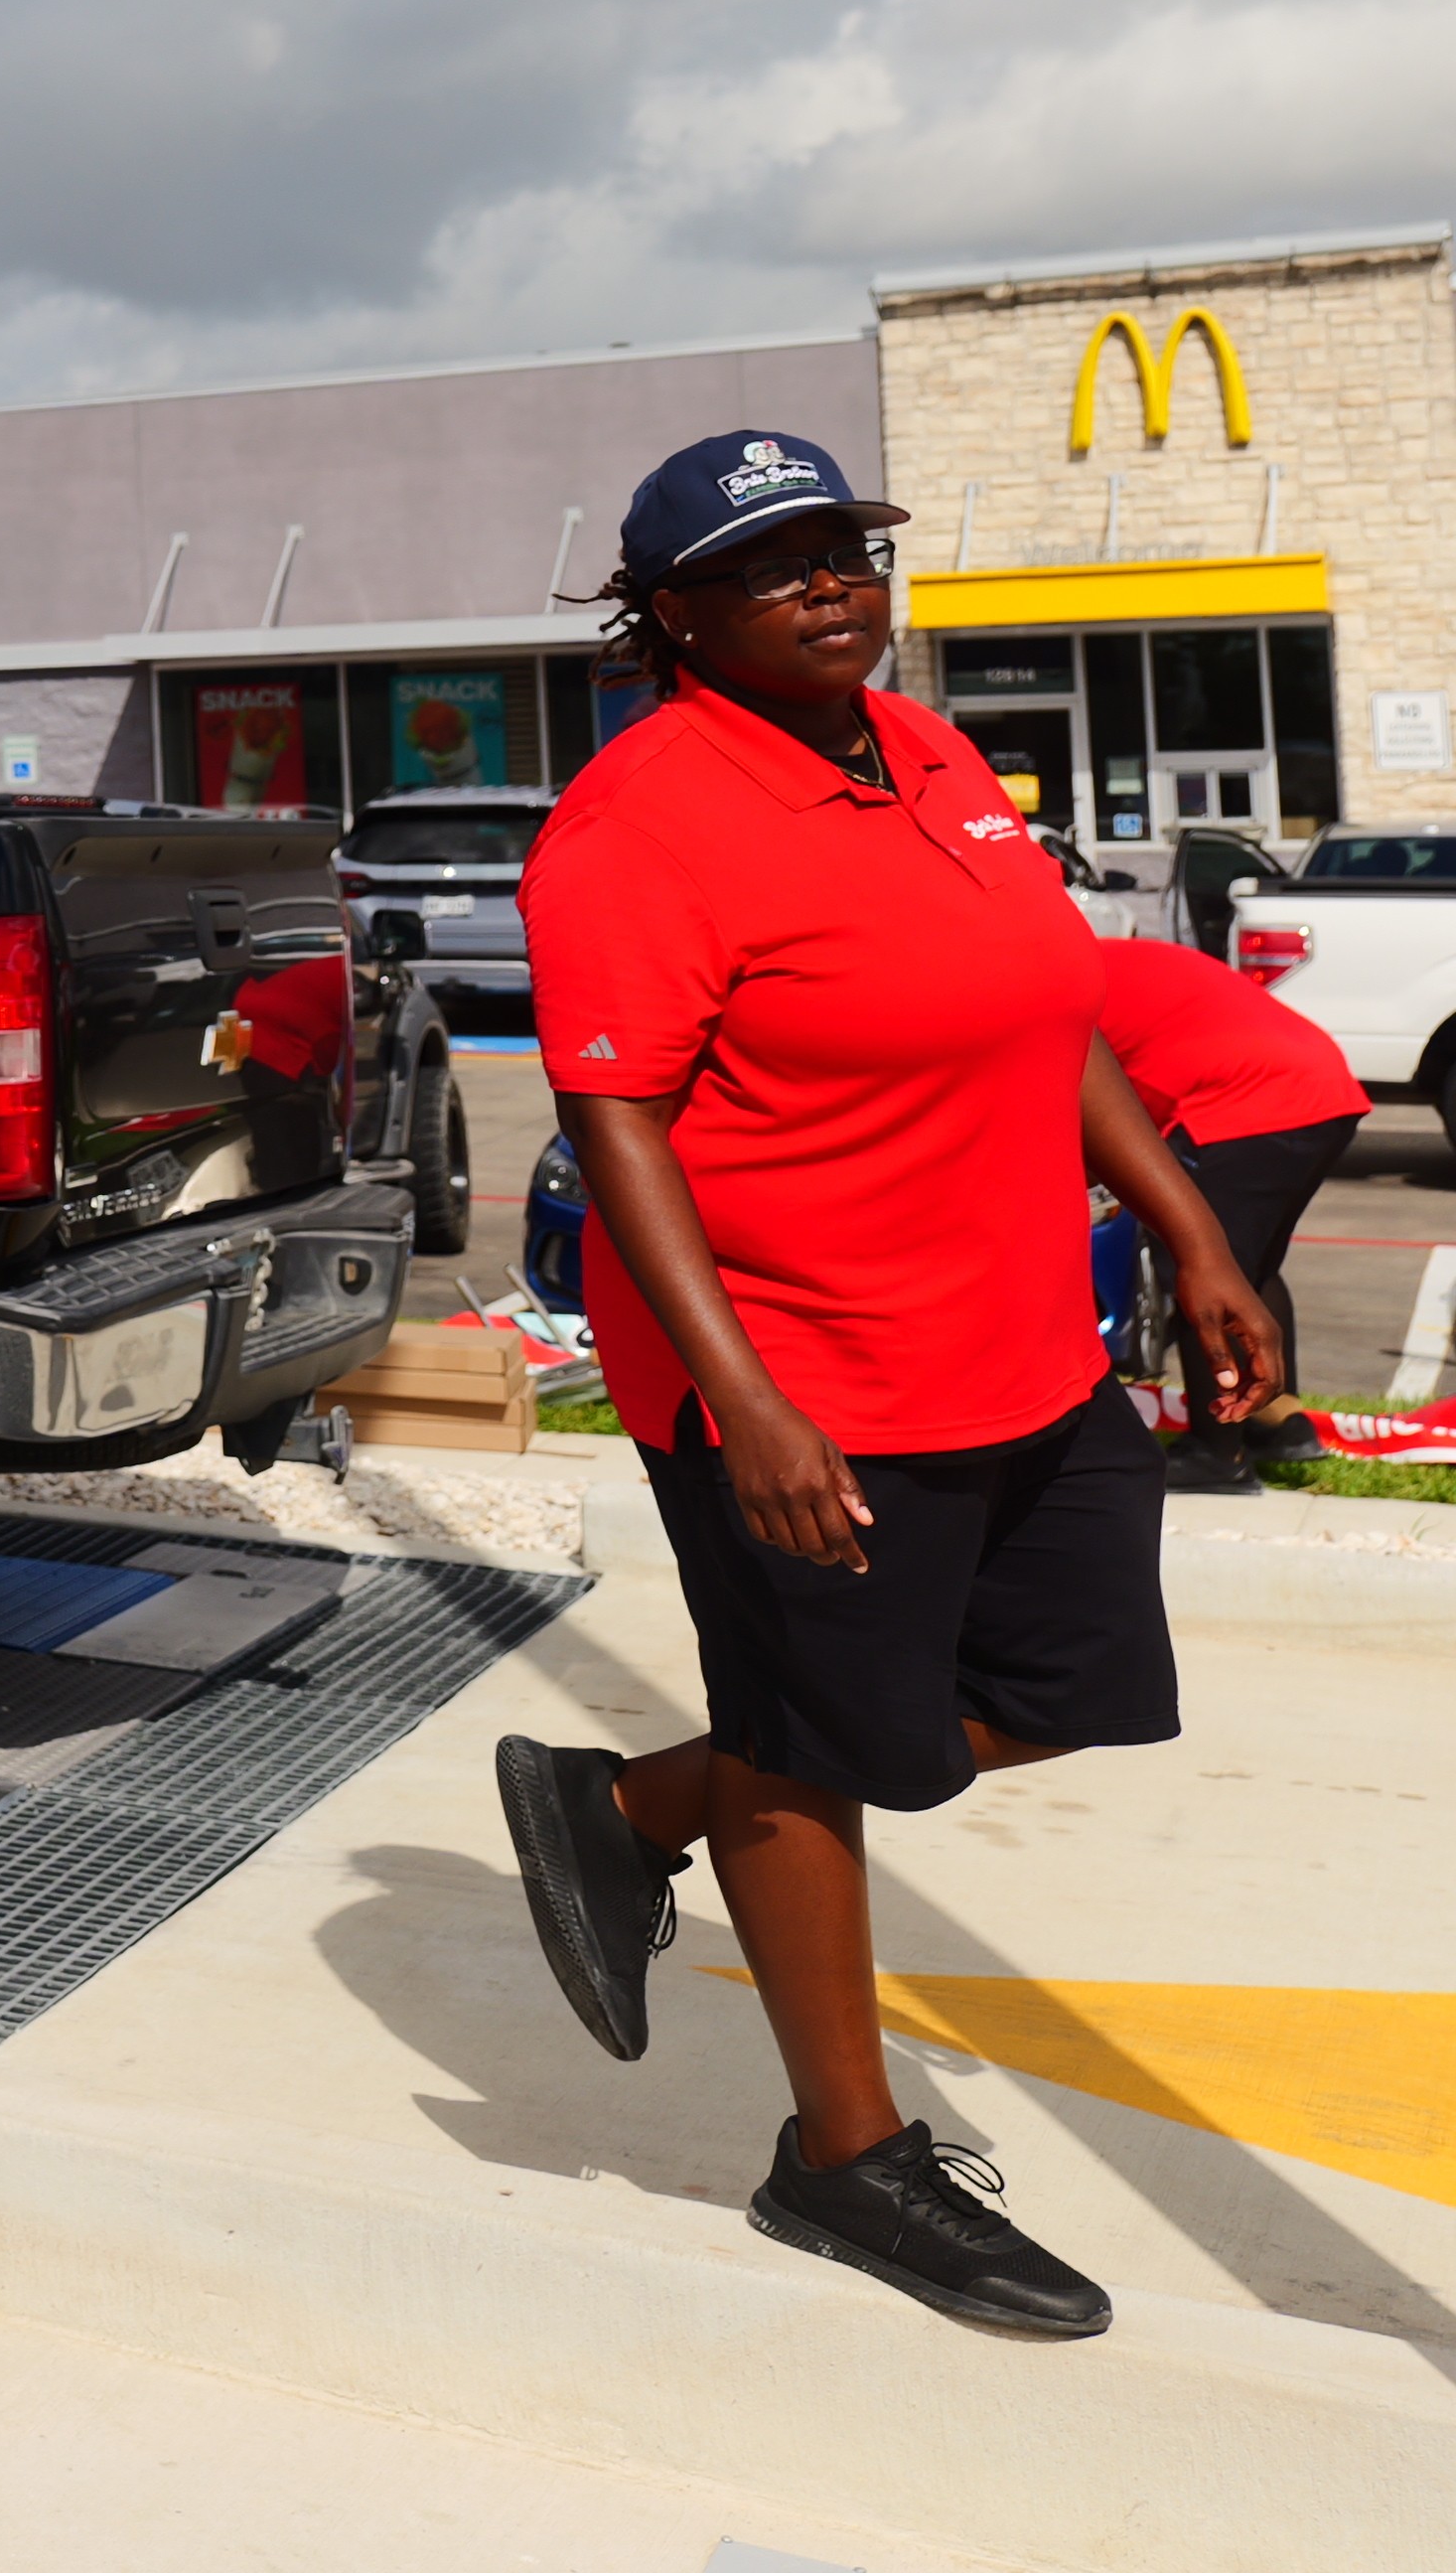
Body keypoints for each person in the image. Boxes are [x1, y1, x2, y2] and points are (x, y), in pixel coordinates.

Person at [495, 426, 1286, 2341]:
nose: (837, 585)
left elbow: (1049, 1009)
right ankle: (842, 2162)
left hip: (1021, 1341)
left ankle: (632, 1808)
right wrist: (745, 1397)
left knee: (1071, 1687)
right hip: (807, 1374)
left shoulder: (923, 748)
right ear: (680, 619)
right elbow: (615, 1125)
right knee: (836, 1742)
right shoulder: (637, 823)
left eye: (850, 547)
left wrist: (1190, 1231)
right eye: (782, 568)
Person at [1094, 931, 1355, 1489]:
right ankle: (1276, 1424)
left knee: (1202, 1275)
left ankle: (1218, 1453)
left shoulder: (1055, 982)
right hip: (1320, 1084)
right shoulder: (1104, 956)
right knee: (1249, 1271)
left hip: (1243, 1099)